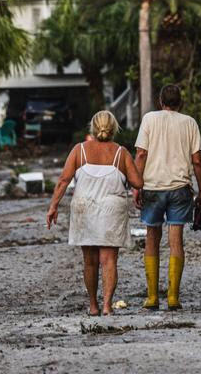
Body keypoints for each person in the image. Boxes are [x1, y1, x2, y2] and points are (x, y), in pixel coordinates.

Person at [46, 111, 143, 316]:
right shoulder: (121, 153)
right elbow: (137, 183)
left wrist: (53, 206)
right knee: (108, 261)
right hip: (111, 210)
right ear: (115, 128)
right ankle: (107, 306)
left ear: (92, 127)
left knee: (89, 261)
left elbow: (64, 180)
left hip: (84, 208)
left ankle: (93, 306)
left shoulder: (79, 150)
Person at [134, 84, 201, 310]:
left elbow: (141, 154)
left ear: (160, 101)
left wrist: (136, 186)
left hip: (153, 188)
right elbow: (197, 160)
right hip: (180, 189)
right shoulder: (189, 123)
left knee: (151, 240)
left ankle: (153, 297)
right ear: (180, 102)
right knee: (176, 242)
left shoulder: (149, 119)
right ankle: (173, 297)